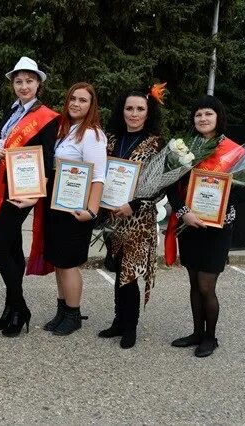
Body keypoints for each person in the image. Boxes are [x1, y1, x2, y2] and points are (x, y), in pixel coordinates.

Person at [166, 95, 245, 357]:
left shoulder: (235, 152)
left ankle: (210, 337)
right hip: (190, 223)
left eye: (208, 114)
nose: (202, 119)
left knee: (206, 285)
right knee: (193, 281)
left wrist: (222, 209)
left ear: (218, 117)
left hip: (218, 225)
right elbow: (170, 184)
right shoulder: (184, 148)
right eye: (198, 114)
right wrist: (183, 213)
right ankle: (196, 333)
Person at [0, 57, 59, 337]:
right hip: (4, 183)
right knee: (13, 248)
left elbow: (49, 156)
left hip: (25, 190)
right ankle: (10, 309)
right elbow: (3, 143)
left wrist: (37, 194)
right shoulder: (12, 110)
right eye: (19, 81)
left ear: (38, 83)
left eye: (29, 80)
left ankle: (20, 307)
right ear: (13, 85)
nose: (24, 86)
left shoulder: (48, 118)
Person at [97, 86, 165, 349]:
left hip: (138, 218)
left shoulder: (156, 144)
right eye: (129, 108)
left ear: (148, 113)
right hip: (113, 215)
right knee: (116, 268)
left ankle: (130, 326)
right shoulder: (111, 139)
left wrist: (134, 204)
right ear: (121, 110)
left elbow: (159, 186)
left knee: (130, 273)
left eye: (140, 109)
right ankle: (118, 321)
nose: (134, 114)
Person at [43, 82, 107, 336]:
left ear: (91, 106)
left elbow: (99, 176)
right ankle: (62, 310)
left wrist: (91, 211)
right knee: (59, 261)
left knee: (69, 263)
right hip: (58, 205)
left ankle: (74, 313)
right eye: (73, 99)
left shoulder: (92, 134)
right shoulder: (65, 130)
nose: (76, 104)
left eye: (83, 100)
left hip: (77, 210)